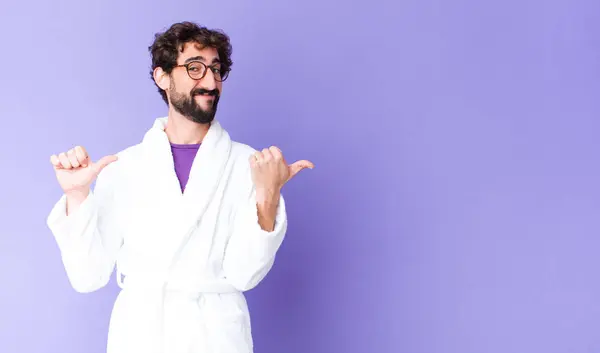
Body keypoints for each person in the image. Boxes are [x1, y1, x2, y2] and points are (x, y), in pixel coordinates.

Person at [46, 21, 313, 353]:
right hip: (141, 335)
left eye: (216, 70)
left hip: (215, 337)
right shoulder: (124, 167)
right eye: (195, 68)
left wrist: (268, 194)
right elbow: (88, 277)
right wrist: (76, 196)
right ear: (162, 76)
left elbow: (245, 275)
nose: (211, 82)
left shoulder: (250, 166)